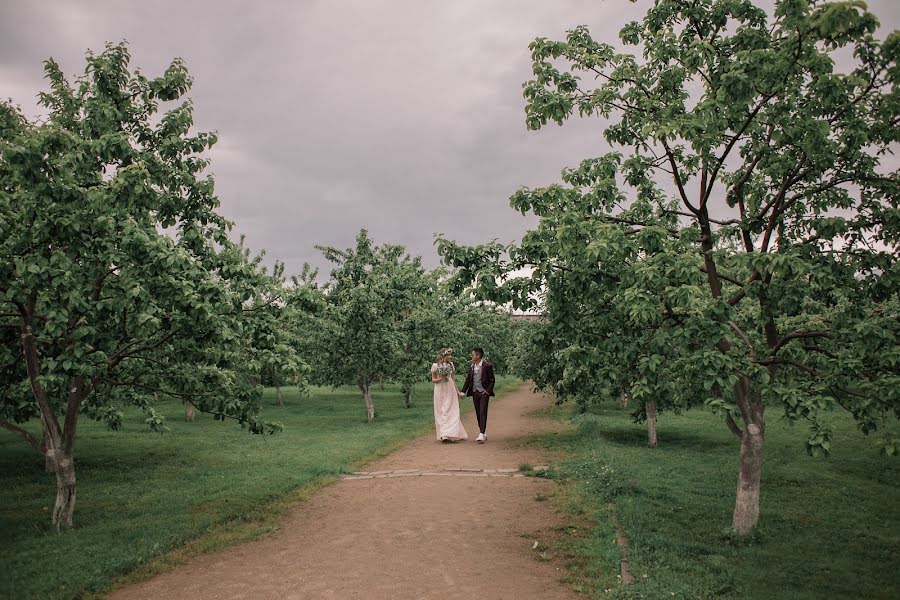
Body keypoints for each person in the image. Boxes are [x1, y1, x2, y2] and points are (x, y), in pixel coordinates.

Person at [459, 346, 495, 443]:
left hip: (483, 392)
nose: (472, 356)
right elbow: (468, 379)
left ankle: (481, 434)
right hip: (475, 392)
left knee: (483, 411)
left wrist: (487, 391)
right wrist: (463, 391)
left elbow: (492, 380)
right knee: (478, 412)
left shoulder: (487, 366)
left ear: (478, 356)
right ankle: (482, 431)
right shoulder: (472, 365)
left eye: (473, 355)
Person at [431, 348, 467, 443]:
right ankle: (444, 434)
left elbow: (452, 379)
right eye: (449, 355)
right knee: (442, 411)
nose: (451, 357)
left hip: (450, 389)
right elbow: (433, 380)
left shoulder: (451, 365)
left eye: (451, 355)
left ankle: (450, 433)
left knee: (450, 410)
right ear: (443, 356)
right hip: (440, 389)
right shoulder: (435, 365)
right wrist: (441, 377)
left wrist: (458, 392)